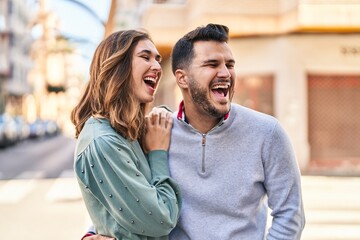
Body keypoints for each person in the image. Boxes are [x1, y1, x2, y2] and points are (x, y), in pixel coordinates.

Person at [84, 23, 305, 239]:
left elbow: (290, 214)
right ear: (182, 78)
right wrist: (93, 233)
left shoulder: (267, 133)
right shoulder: (155, 131)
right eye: (212, 64)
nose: (226, 73)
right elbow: (125, 195)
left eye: (230, 64)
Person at [71, 29, 182, 240]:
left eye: (158, 59)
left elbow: (114, 208)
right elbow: (162, 219)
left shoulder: (127, 131)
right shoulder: (102, 141)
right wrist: (158, 152)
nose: (158, 66)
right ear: (118, 67)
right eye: (145, 57)